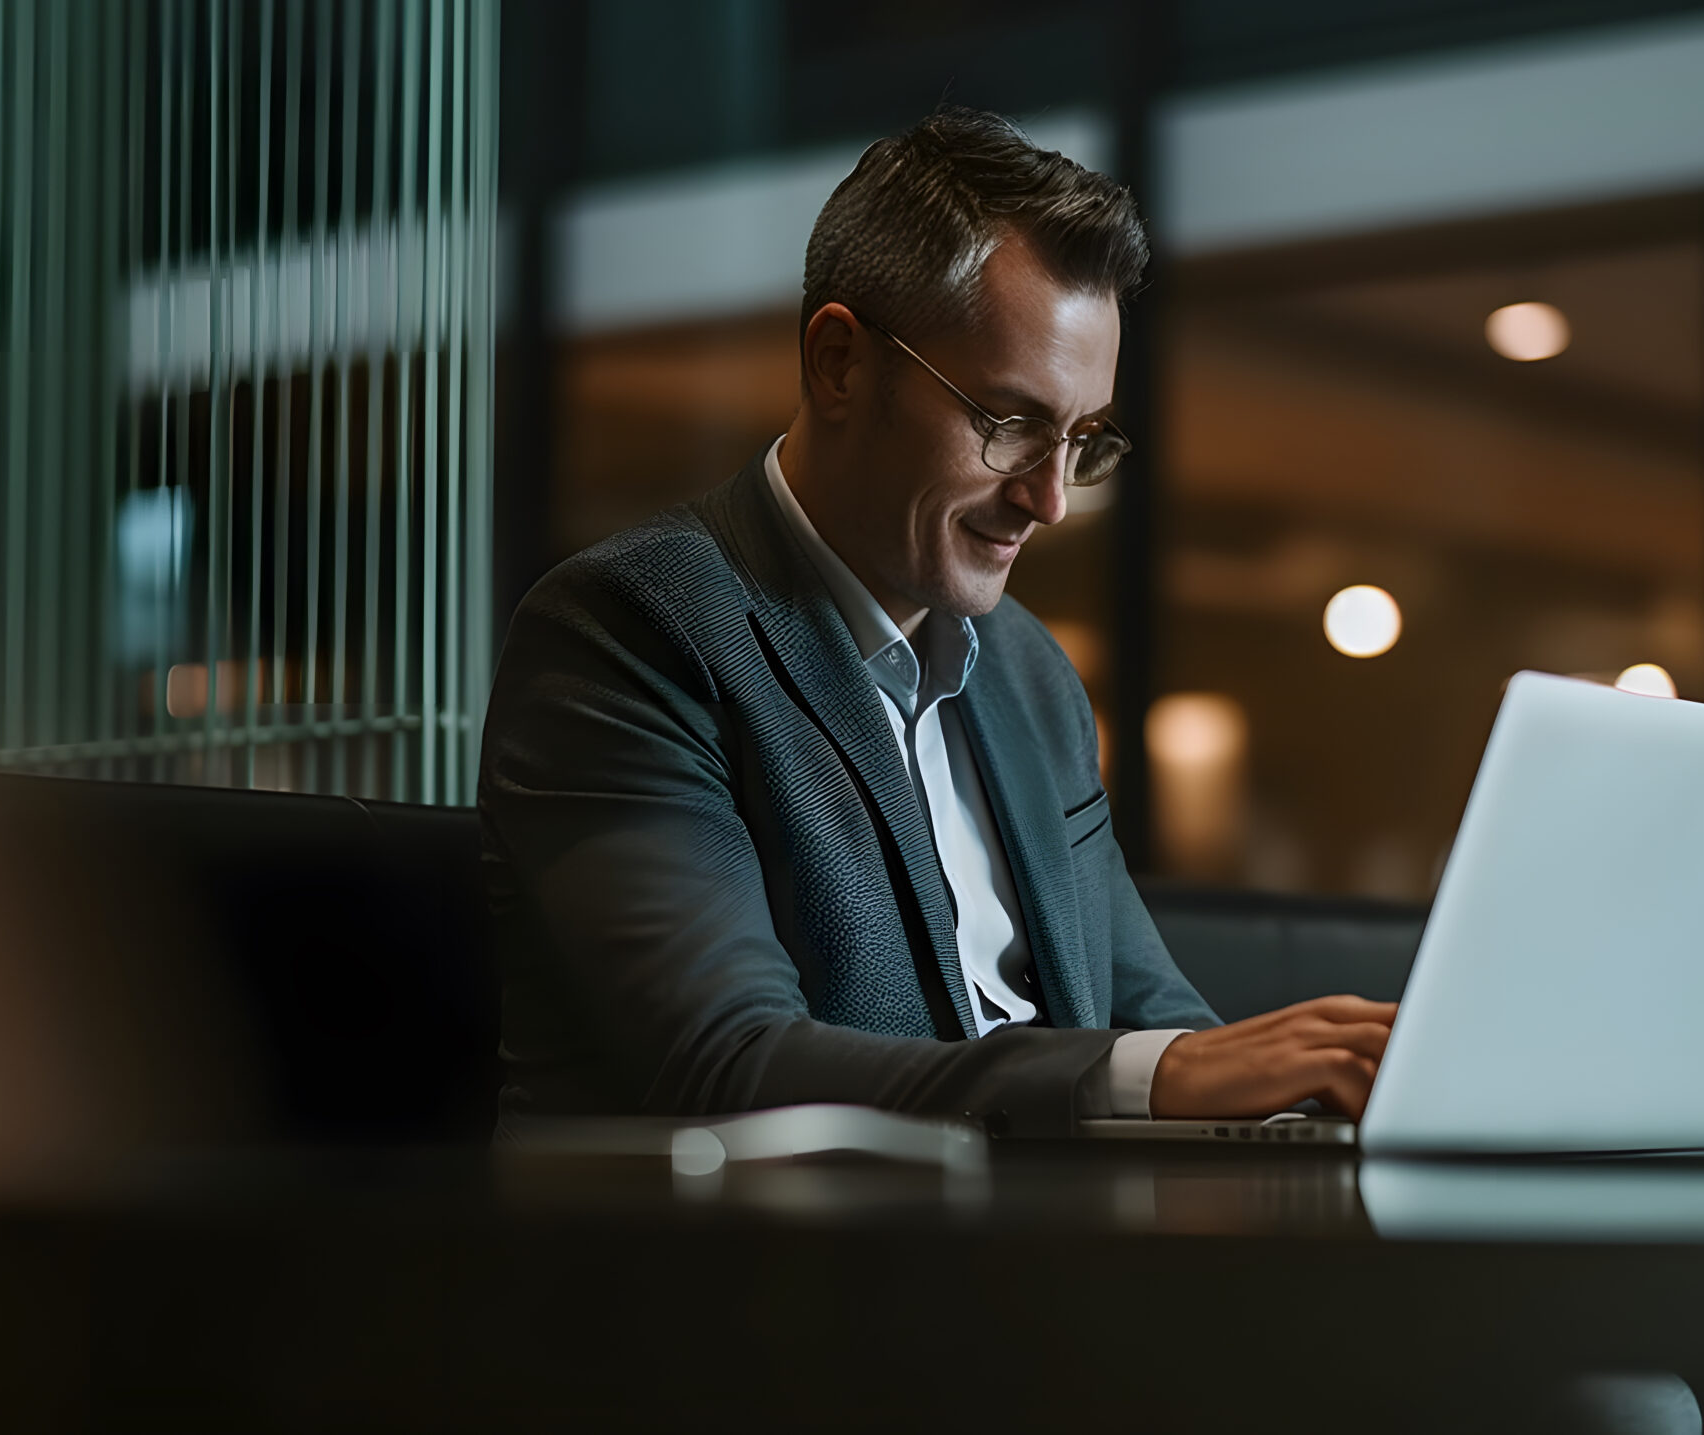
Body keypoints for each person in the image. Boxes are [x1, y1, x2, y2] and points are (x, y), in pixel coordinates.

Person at [477, 107, 1394, 1134]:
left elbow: (1155, 1021)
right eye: (1009, 424)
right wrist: (1150, 1081)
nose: (1049, 502)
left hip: (1039, 1260)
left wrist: (1308, 1099)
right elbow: (724, 1065)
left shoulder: (1027, 672)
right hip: (761, 1278)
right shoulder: (630, 630)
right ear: (837, 363)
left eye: (1080, 439)